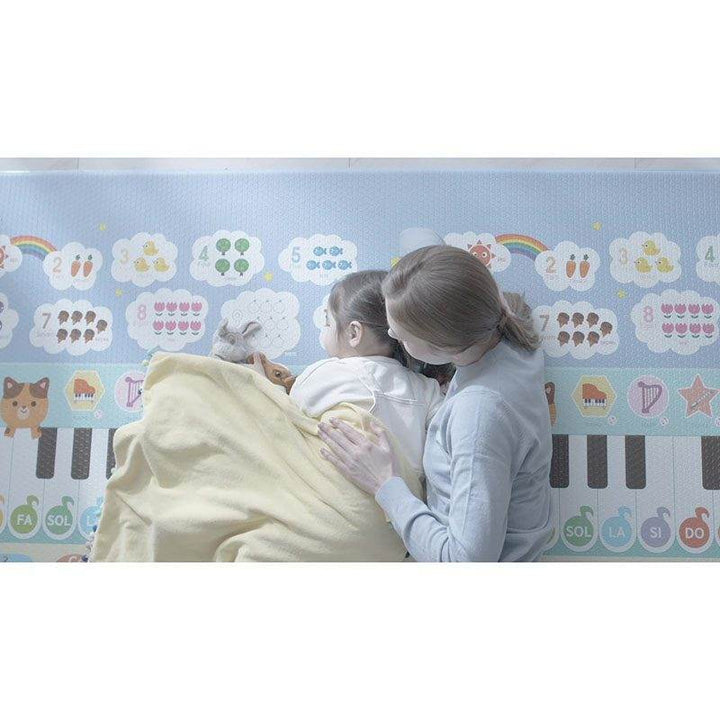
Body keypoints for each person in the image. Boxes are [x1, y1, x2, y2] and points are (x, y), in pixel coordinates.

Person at [318, 245, 553, 561]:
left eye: (402, 338)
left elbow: (465, 561)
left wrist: (385, 484)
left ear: (442, 348)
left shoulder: (478, 415)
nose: (391, 335)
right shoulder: (507, 328)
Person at [290, 270, 444, 476]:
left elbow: (290, 410)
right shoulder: (427, 388)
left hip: (338, 487)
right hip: (406, 490)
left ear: (354, 333)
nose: (324, 329)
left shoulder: (324, 373)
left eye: (328, 322)